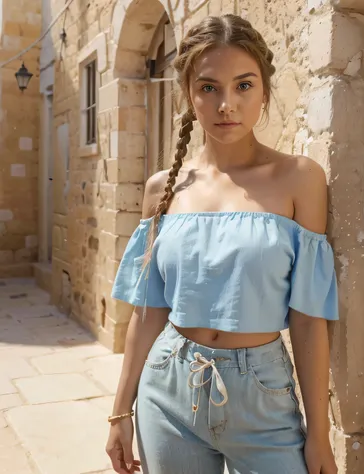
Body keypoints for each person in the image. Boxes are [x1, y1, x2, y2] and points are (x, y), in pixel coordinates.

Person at [105, 13, 339, 474]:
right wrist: (120, 412)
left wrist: (319, 434)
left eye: (244, 86)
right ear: (189, 96)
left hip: (263, 399)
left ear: (265, 91)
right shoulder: (162, 188)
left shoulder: (300, 179)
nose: (226, 104)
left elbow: (309, 318)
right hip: (167, 392)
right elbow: (148, 310)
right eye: (209, 87)